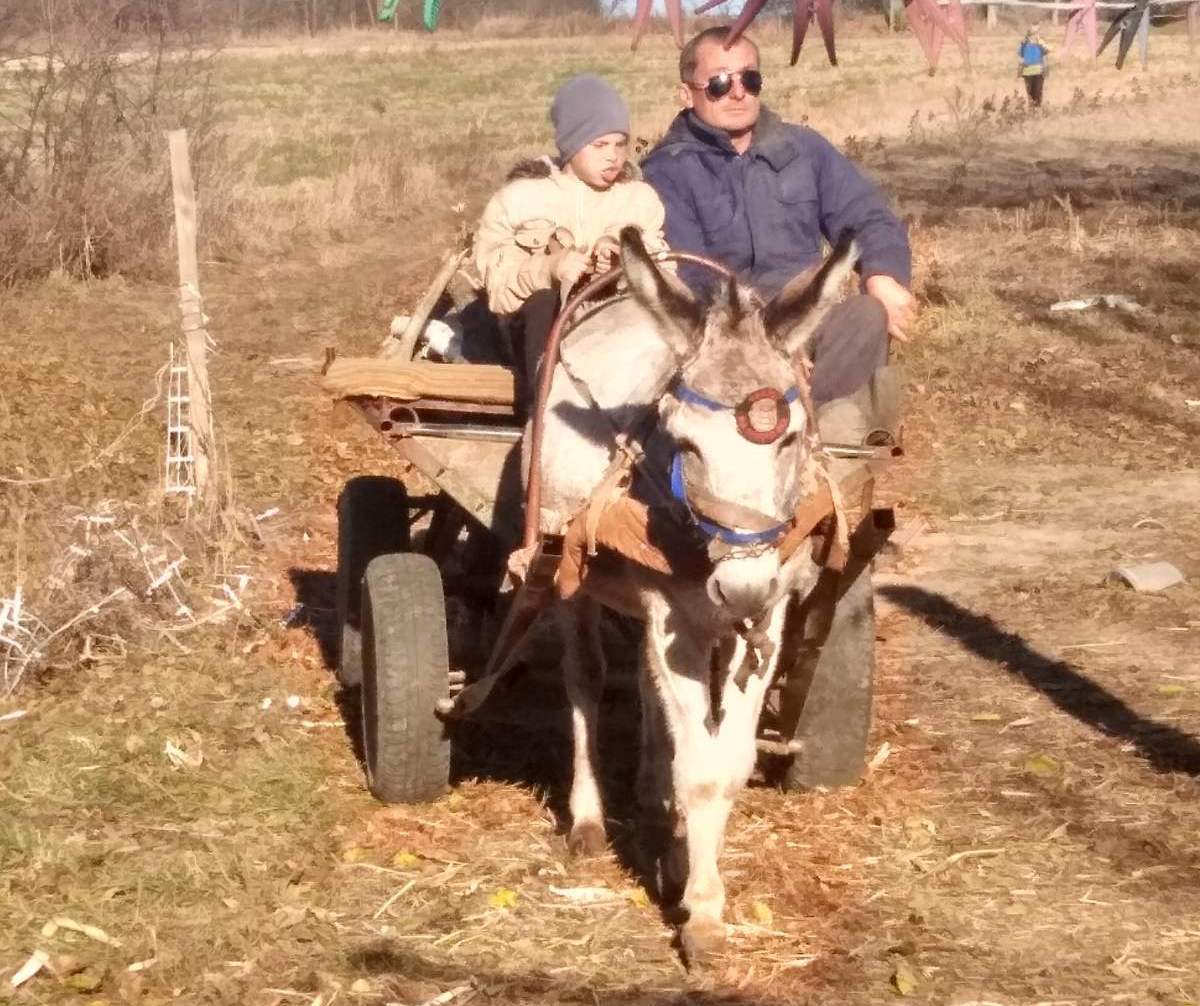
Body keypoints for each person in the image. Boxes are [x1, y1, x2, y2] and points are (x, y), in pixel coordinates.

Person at [641, 26, 916, 411]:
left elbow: (867, 215)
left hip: (803, 313)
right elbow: (688, 273)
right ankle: (768, 424)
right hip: (724, 328)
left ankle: (822, 436)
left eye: (749, 79)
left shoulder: (804, 149)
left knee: (865, 314)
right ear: (687, 94)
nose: (738, 92)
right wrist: (754, 339)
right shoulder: (666, 171)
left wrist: (882, 273)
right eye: (719, 83)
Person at [474, 74, 669, 392]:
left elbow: (666, 270)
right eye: (599, 145)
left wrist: (625, 262)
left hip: (609, 331)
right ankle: (545, 411)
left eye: (621, 144)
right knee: (543, 304)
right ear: (570, 144)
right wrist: (549, 269)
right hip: (536, 335)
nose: (613, 156)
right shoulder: (521, 199)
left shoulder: (638, 200)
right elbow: (497, 287)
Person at [1018, 25, 1049, 108]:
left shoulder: (1041, 44)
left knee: (1038, 93)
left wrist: (1046, 70)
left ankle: (1038, 111)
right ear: (1029, 35)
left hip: (1039, 72)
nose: (1035, 35)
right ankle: (1032, 112)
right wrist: (1020, 71)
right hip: (1027, 73)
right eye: (1033, 33)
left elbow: (1045, 56)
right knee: (1030, 94)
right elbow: (1020, 56)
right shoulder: (1024, 44)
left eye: (1037, 33)